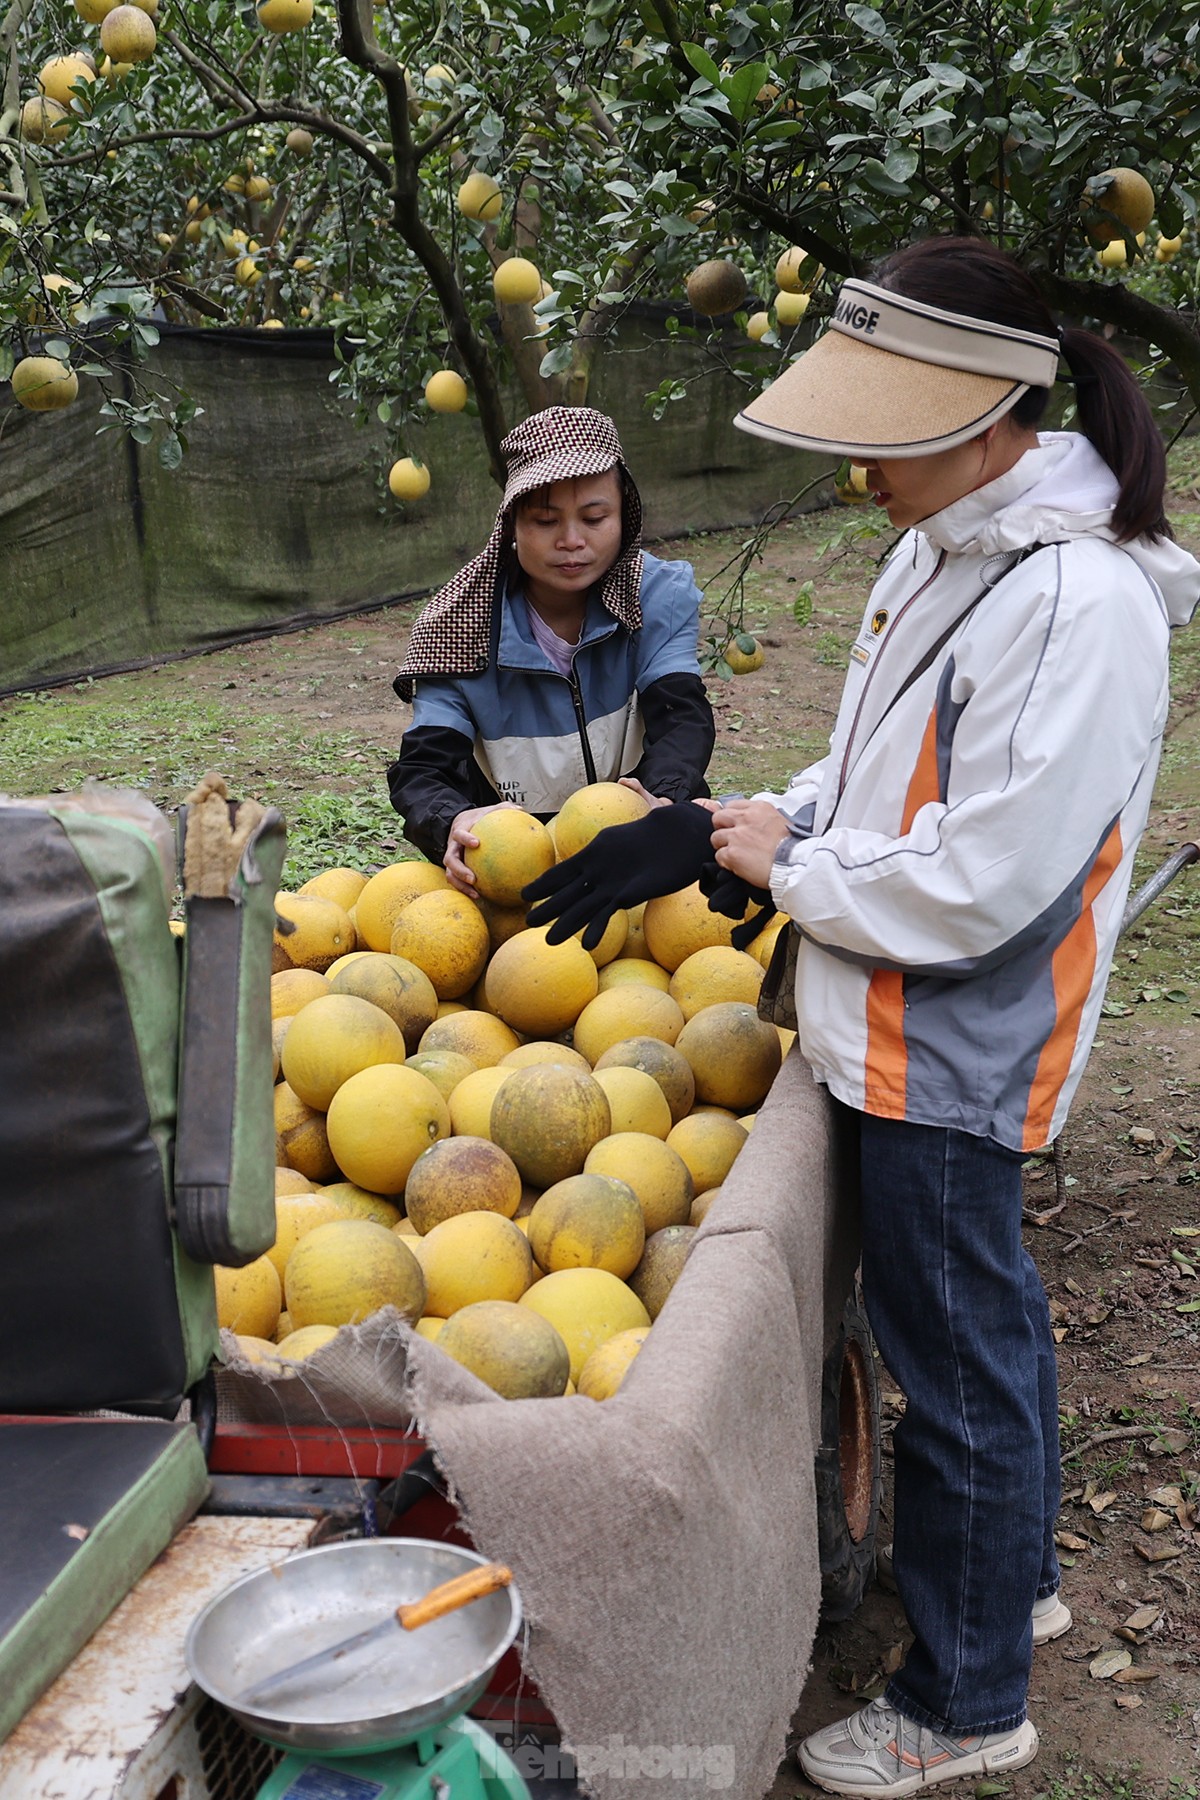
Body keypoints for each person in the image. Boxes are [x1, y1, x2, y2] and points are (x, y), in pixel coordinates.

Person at [523, 237, 1199, 1796]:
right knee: (978, 1334)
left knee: (952, 1370)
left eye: (883, 433)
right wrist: (729, 824)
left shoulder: (1080, 605)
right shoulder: (938, 551)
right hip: (885, 1008)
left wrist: (797, 866)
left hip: (957, 1035)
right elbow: (880, 770)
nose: (859, 469)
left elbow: (988, 879)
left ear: (986, 413)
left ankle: (967, 1703)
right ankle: (1006, 1582)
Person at [387, 406, 715, 892]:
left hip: (645, 847)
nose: (572, 541)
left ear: (624, 514)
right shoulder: (459, 626)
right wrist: (452, 821)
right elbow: (424, 768)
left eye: (595, 517)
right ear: (511, 526)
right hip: (516, 870)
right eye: (545, 520)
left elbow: (681, 719)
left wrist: (661, 801)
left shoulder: (656, 598)